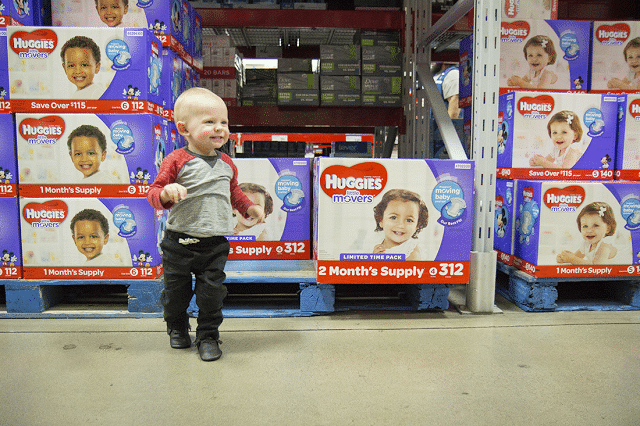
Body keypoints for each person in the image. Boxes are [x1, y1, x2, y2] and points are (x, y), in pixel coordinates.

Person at [147, 87, 265, 362]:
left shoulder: (227, 163)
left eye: (224, 122)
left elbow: (233, 192)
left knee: (212, 294)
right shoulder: (176, 160)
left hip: (215, 244)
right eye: (210, 122)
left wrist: (249, 206)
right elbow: (154, 192)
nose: (220, 128)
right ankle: (176, 326)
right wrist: (166, 193)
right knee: (176, 293)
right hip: (179, 243)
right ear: (184, 129)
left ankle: (208, 335)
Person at [372, 189, 429, 261]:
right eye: (393, 217)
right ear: (381, 220)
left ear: (417, 225)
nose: (401, 225)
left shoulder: (412, 253)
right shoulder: (377, 241)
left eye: (409, 220)